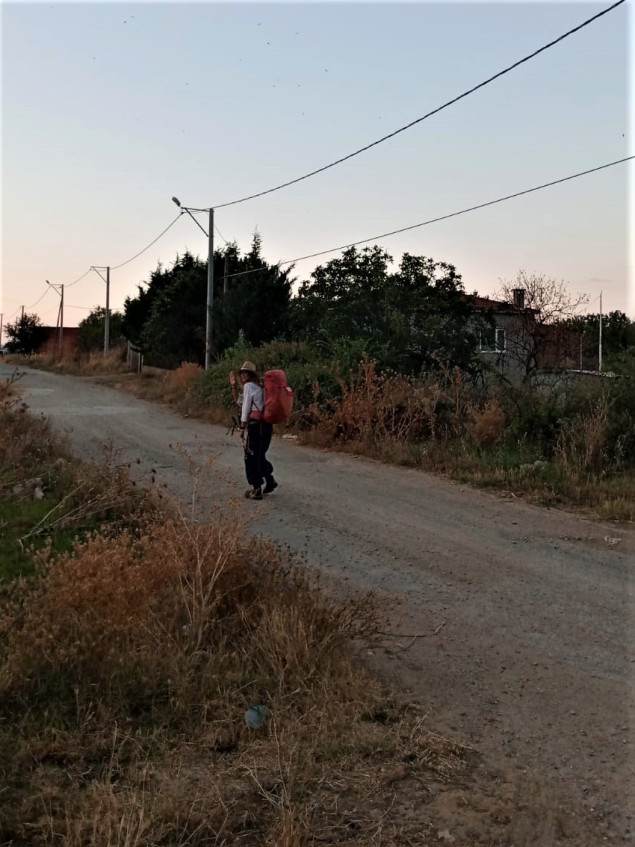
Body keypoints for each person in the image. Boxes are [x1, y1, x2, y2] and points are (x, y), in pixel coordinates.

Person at [230, 361, 277, 500]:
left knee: (250, 456)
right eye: (242, 373)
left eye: (246, 373)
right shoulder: (260, 386)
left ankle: (256, 489)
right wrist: (233, 387)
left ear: (250, 374)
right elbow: (240, 401)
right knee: (259, 455)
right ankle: (269, 480)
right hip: (266, 425)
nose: (243, 375)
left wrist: (242, 427)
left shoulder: (249, 386)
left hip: (256, 426)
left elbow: (245, 408)